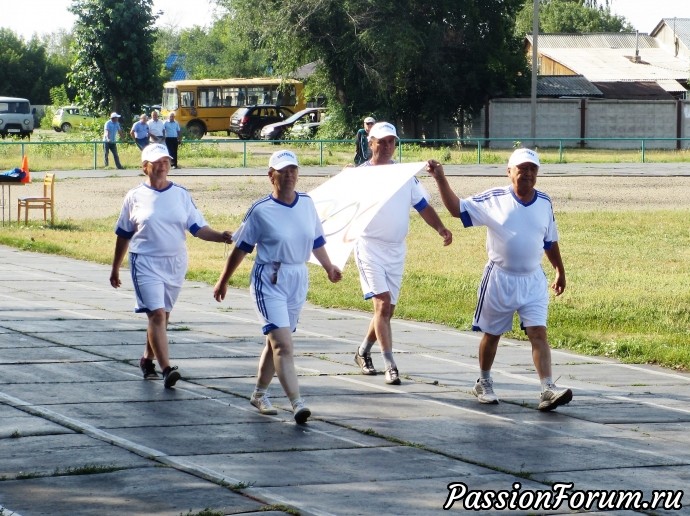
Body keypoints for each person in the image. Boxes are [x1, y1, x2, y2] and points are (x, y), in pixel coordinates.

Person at [426, 147, 572, 412]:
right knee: (492, 334)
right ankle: (484, 380)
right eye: (521, 169)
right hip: (500, 279)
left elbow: (550, 240)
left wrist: (559, 270)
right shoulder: (494, 198)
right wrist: (440, 178)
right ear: (509, 172)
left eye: (532, 169)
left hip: (533, 280)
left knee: (539, 333)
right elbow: (457, 209)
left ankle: (547, 388)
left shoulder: (544, 202)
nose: (527, 174)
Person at [213, 150, 342, 424]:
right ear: (271, 175)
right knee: (283, 344)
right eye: (283, 171)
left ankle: (259, 393)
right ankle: (297, 403)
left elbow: (316, 240)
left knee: (276, 341)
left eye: (293, 170)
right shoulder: (261, 210)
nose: (289, 176)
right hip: (269, 278)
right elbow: (241, 249)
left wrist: (329, 266)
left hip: (297, 277)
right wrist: (223, 280)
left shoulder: (307, 203)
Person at [110, 143, 233, 389]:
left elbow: (198, 228)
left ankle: (147, 359)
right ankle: (167, 369)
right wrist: (115, 267)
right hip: (145, 261)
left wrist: (221, 235)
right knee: (155, 314)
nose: (162, 166)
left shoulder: (180, 194)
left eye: (166, 161)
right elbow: (123, 234)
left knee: (162, 317)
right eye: (156, 162)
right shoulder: (134, 197)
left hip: (175, 263)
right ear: (145, 167)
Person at [353, 122, 453, 385]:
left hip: (396, 249)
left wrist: (441, 228)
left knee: (386, 311)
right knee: (382, 304)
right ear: (370, 143)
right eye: (381, 141)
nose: (386, 146)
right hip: (369, 247)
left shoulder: (405, 175)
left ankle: (362, 351)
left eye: (391, 142)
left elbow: (422, 205)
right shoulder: (359, 175)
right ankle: (390, 365)